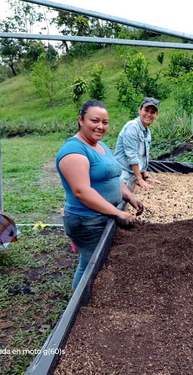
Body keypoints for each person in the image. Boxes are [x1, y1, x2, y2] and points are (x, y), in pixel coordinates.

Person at [56, 99, 144, 290]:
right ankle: (79, 303)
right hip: (86, 220)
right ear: (81, 120)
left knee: (93, 261)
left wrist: (129, 195)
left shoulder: (101, 146)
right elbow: (82, 191)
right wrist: (118, 213)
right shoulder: (73, 150)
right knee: (91, 263)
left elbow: (113, 177)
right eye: (94, 121)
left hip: (103, 216)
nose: (100, 126)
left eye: (105, 122)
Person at [114, 97, 162, 189]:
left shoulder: (146, 131)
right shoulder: (132, 127)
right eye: (146, 110)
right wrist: (139, 179)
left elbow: (142, 156)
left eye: (152, 112)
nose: (149, 114)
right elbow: (132, 155)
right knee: (121, 189)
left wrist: (145, 177)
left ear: (156, 115)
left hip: (134, 173)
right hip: (123, 171)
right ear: (139, 110)